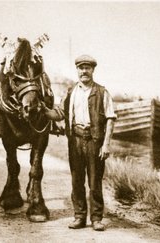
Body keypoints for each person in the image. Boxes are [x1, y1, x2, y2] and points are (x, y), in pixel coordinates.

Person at [43, 54, 116, 231]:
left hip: (94, 141)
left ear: (93, 70)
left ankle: (97, 219)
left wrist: (106, 144)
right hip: (74, 140)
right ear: (77, 70)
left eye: (87, 68)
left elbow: (110, 118)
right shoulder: (70, 92)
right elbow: (59, 114)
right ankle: (79, 217)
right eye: (81, 68)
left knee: (94, 182)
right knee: (77, 181)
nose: (84, 71)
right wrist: (42, 109)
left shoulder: (102, 92)